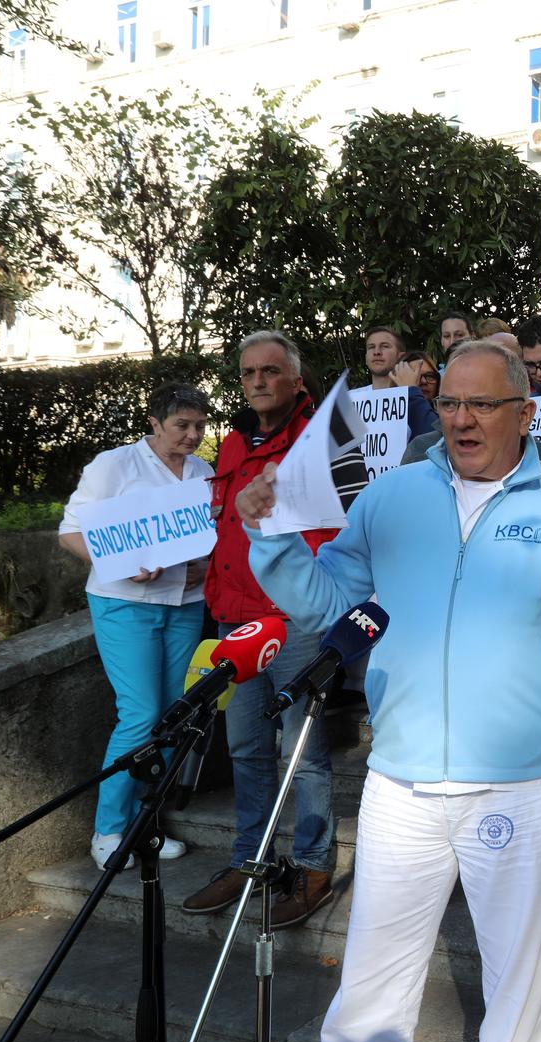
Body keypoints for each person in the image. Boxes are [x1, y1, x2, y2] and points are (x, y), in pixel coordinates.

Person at [235, 339, 541, 1042]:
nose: (462, 419)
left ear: (522, 414)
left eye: (482, 404)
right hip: (402, 779)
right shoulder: (391, 496)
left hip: (518, 786)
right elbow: (329, 603)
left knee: (517, 988)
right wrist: (270, 535)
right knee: (371, 981)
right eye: (450, 402)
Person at [179, 332, 338, 928]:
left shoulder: (317, 440)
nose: (259, 380)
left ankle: (314, 865)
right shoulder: (233, 443)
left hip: (294, 618)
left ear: (296, 381)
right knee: (246, 747)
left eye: (272, 371)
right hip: (235, 619)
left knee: (304, 752)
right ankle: (251, 861)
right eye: (249, 373)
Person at [59, 383, 212, 870]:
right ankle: (108, 830)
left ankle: (147, 823)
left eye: (199, 426)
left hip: (186, 603)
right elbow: (69, 532)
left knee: (172, 715)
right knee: (140, 714)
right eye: (181, 426)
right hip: (124, 602)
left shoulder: (204, 471)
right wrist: (118, 561)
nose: (192, 435)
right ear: (153, 423)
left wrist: (205, 569)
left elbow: (211, 537)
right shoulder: (114, 464)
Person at [364, 326, 441, 446]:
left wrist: (412, 392)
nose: (423, 381)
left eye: (430, 376)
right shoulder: (354, 402)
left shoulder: (449, 412)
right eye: (413, 376)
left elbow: (437, 440)